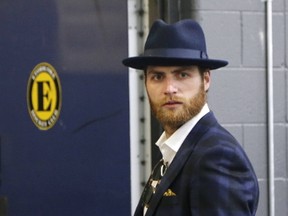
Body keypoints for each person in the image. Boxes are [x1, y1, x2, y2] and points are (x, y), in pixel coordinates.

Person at [123, 19, 259, 216]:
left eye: (182, 75)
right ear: (146, 83)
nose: (169, 89)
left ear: (205, 80)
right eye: (158, 77)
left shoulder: (216, 157)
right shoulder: (174, 151)